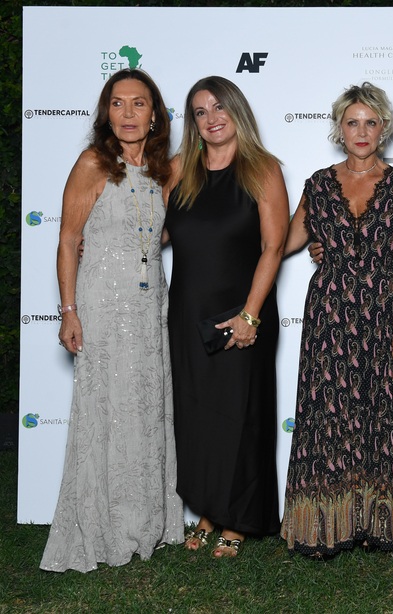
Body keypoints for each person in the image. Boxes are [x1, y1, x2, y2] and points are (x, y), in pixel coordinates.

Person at [41, 69, 183, 572]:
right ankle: (104, 525)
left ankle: (148, 521)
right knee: (108, 410)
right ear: (107, 113)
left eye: (138, 103)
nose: (127, 114)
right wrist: (69, 310)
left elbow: (161, 231)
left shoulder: (166, 170)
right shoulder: (92, 163)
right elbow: (67, 239)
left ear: (155, 114)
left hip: (150, 305)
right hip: (102, 304)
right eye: (118, 104)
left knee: (146, 409)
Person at [280, 82, 393, 557]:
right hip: (330, 315)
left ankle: (378, 522)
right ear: (339, 129)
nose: (361, 131)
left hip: (384, 313)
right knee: (328, 417)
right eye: (352, 122)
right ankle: (326, 524)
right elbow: (282, 243)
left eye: (371, 122)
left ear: (384, 129)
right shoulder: (319, 185)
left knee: (383, 415)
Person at [164, 76, 289, 558]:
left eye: (219, 107)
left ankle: (237, 519)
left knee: (241, 415)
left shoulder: (262, 168)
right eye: (200, 111)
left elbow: (273, 246)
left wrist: (250, 316)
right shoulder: (180, 169)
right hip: (187, 311)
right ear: (193, 122)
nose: (211, 118)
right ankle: (207, 512)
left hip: (242, 311)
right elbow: (156, 232)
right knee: (197, 416)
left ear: (237, 111)